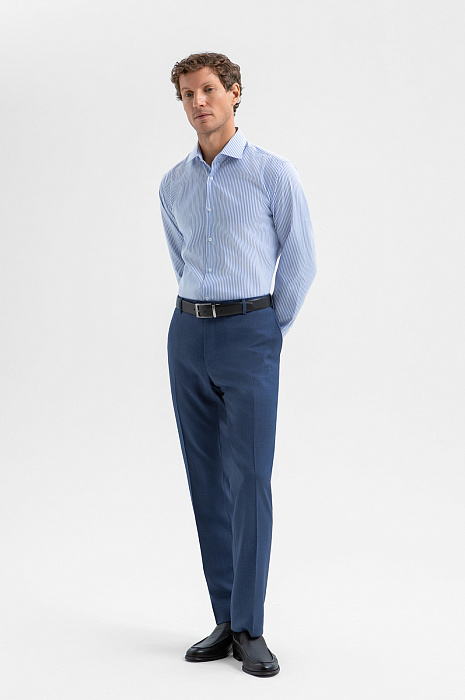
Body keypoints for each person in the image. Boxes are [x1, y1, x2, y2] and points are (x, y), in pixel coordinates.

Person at [159, 52, 316, 678]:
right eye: (187, 94)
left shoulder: (271, 174)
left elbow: (300, 259)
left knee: (249, 480)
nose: (198, 102)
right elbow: (181, 259)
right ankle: (224, 618)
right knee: (205, 480)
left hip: (250, 334)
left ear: (235, 93)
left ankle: (251, 626)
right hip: (187, 334)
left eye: (208, 90)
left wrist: (265, 333)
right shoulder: (172, 183)